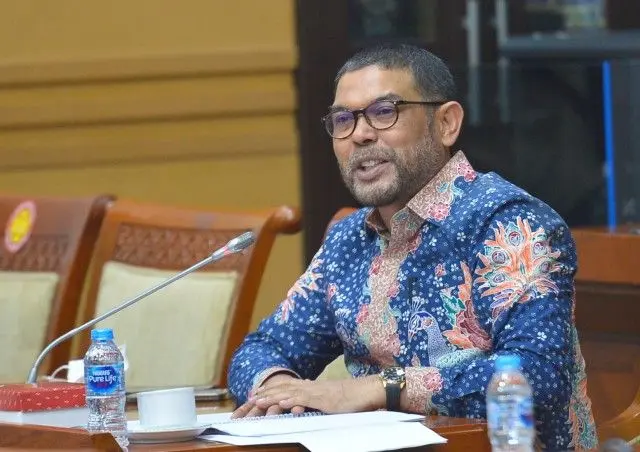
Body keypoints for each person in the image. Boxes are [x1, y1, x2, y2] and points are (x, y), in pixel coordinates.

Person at [228, 43, 597, 450]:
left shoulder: (506, 223)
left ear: (446, 123)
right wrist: (280, 389)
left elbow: (536, 377)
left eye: (384, 112)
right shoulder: (348, 240)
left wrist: (381, 388)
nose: (361, 135)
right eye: (343, 120)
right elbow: (262, 349)